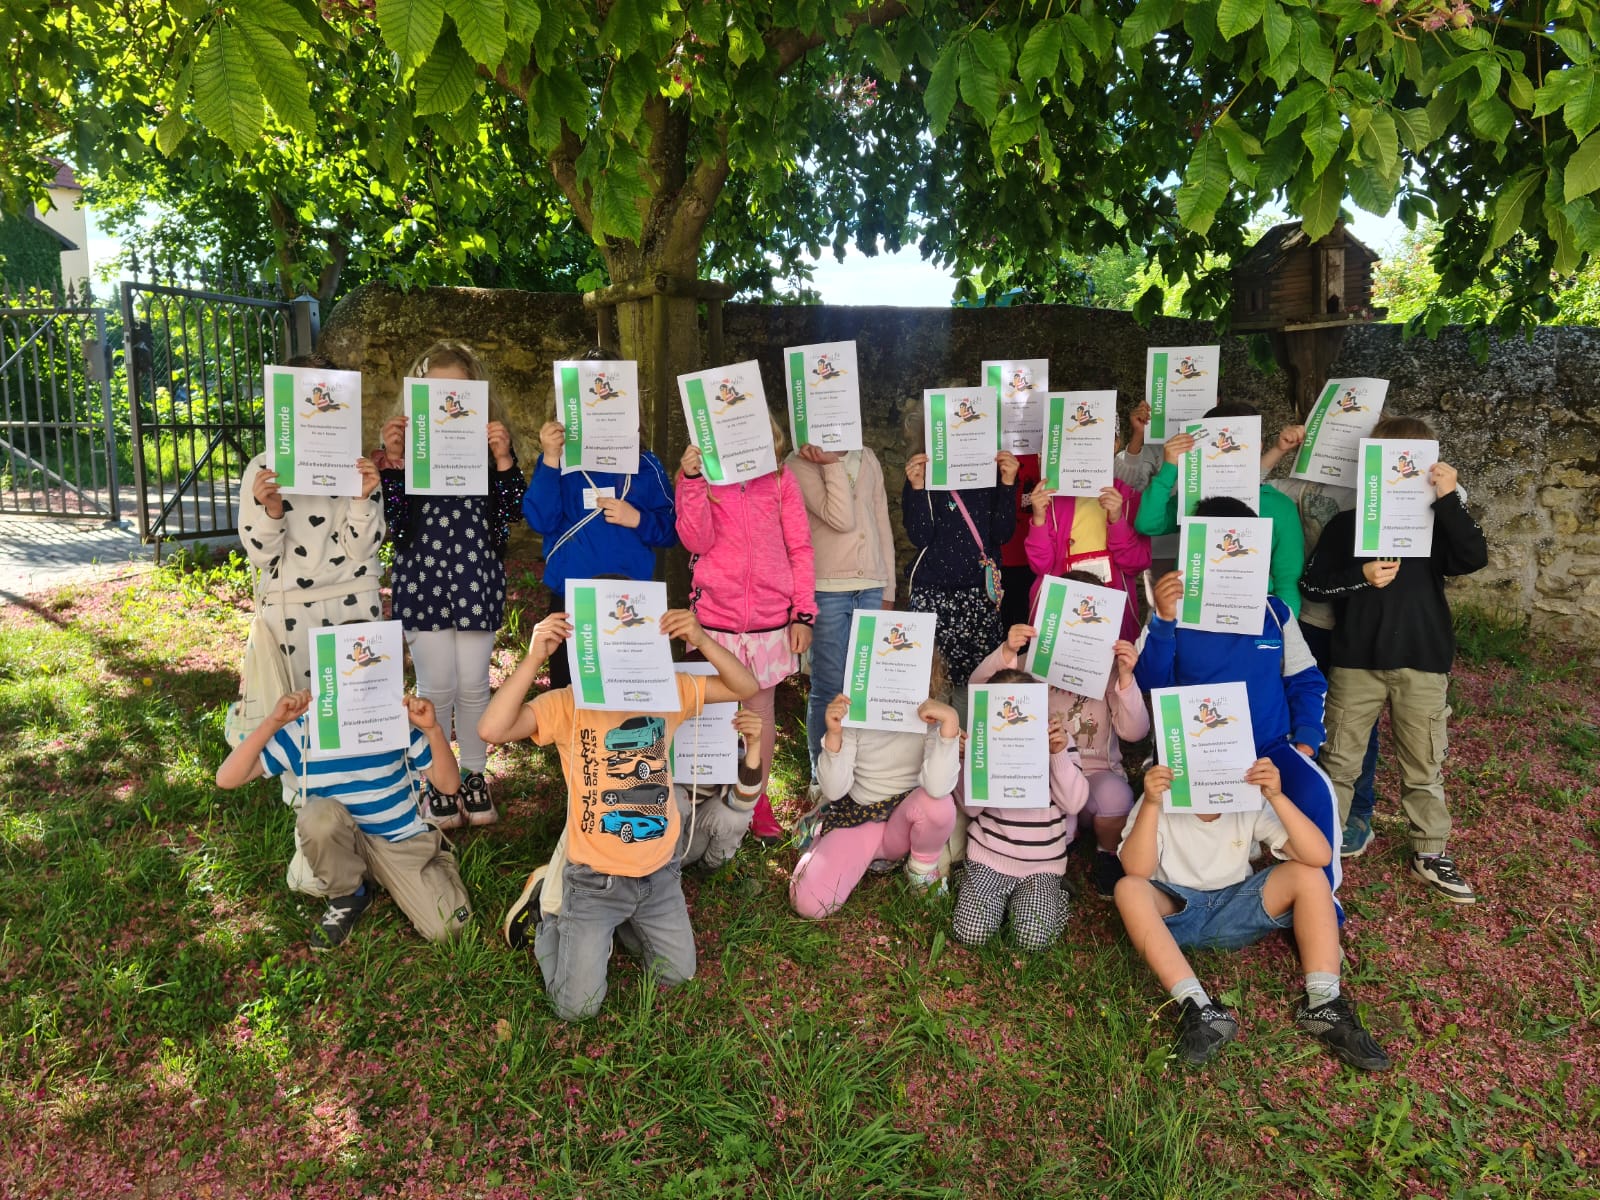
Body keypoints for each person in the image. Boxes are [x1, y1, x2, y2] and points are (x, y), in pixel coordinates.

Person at [483, 609, 759, 1021]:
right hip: (595, 882)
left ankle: (617, 925)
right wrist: (534, 657)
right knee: (576, 1008)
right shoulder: (569, 703)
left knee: (678, 975)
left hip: (659, 875)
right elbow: (492, 729)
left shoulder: (668, 691)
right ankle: (549, 912)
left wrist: (701, 639)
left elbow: (746, 686)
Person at [1301, 416, 1488, 903]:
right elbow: (1313, 585)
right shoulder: (1347, 523)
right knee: (1339, 759)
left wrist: (1448, 497)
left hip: (1422, 658)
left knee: (1424, 762)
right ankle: (1324, 845)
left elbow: (1473, 558)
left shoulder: (1438, 520)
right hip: (1356, 660)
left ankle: (1430, 851)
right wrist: (1360, 576)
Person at [1114, 760, 1389, 1070]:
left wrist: (1276, 796)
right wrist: (1152, 803)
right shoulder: (1159, 796)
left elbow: (1319, 855)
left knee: (1310, 875)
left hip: (1237, 908)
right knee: (1128, 889)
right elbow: (1136, 870)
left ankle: (1323, 1001)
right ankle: (1198, 1006)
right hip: (1177, 912)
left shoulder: (1245, 793)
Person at [1133, 498, 1342, 904]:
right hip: (1197, 750)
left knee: (1317, 791)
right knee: (1189, 828)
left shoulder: (1274, 612)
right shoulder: (1171, 611)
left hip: (1269, 747)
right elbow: (1149, 682)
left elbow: (1305, 679)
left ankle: (1322, 902)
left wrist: (1305, 739)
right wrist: (1163, 620)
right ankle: (1199, 896)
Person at [379, 340, 525, 829]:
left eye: (458, 393)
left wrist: (503, 459)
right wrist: (395, 461)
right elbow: (395, 525)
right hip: (423, 579)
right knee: (435, 687)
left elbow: (512, 515)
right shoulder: (403, 454)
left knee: (474, 684)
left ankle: (475, 775)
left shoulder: (488, 451)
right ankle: (436, 782)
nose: (448, 403)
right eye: (435, 393)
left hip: (475, 577)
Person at [216, 689, 471, 949]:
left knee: (449, 927)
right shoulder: (301, 731)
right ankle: (349, 894)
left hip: (399, 842)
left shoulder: (394, 722)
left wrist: (433, 730)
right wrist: (274, 722)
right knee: (318, 816)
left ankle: (428, 868)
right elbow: (226, 778)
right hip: (340, 845)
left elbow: (449, 785)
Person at [235, 352, 386, 776]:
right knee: (297, 709)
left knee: (358, 707)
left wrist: (361, 500)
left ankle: (363, 787)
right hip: (289, 609)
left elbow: (363, 548)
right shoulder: (263, 469)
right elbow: (261, 555)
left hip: (354, 601)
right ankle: (301, 790)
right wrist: (272, 510)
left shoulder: (358, 468)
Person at [676, 415, 815, 840]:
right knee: (710, 710)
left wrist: (802, 613)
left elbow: (800, 546)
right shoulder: (702, 479)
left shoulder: (781, 479)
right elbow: (695, 540)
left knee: (758, 712)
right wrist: (691, 480)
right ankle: (703, 794)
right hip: (714, 620)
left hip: (768, 621)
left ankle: (755, 798)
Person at [969, 589, 1149, 896]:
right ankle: (1053, 848)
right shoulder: (1029, 664)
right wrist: (1007, 651)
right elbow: (980, 691)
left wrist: (1126, 678)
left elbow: (1136, 732)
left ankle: (1107, 853)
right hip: (1034, 772)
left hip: (1093, 774)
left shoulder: (1109, 673)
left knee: (1115, 797)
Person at [522, 349, 678, 689]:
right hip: (570, 601)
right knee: (569, 694)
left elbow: (672, 530)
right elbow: (540, 520)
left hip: (632, 602)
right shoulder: (558, 463)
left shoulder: (646, 465)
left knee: (627, 694)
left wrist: (638, 519)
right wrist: (550, 458)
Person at [1261, 424, 1382, 857]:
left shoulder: (1379, 488)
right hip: (1309, 616)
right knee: (1305, 705)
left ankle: (1357, 810)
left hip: (1362, 624)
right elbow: (1243, 486)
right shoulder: (1303, 485)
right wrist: (1279, 449)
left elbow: (1452, 496)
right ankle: (1304, 796)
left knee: (1357, 719)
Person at [790, 659, 961, 916]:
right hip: (859, 819)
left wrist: (950, 723)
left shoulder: (930, 722)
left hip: (905, 824)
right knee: (808, 904)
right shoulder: (855, 718)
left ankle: (921, 869)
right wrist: (835, 734)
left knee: (939, 805)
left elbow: (937, 789)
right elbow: (834, 790)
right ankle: (822, 840)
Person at [952, 669, 1088, 951]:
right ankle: (984, 892)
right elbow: (972, 809)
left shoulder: (1059, 742)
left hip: (1042, 866)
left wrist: (1057, 754)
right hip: (989, 858)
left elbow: (1074, 803)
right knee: (970, 934)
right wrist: (966, 760)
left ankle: (1055, 896)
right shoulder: (982, 740)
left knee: (1032, 940)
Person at [784, 440, 896, 775]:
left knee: (867, 685)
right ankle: (823, 775)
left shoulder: (868, 455)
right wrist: (831, 464)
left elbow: (881, 522)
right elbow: (840, 518)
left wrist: (888, 587)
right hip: (828, 587)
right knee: (829, 684)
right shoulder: (799, 461)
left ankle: (861, 771)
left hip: (871, 585)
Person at [1132, 401, 1306, 615]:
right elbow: (1148, 524)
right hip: (1191, 614)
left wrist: (1283, 629)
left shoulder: (1280, 507)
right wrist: (1170, 466)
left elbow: (1288, 581)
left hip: (1253, 618)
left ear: (1258, 445)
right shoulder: (1197, 497)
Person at [903, 406, 1021, 690]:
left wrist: (1007, 483)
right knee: (930, 685)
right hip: (933, 596)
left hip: (978, 599)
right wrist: (917, 487)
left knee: (977, 686)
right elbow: (920, 536)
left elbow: (1003, 533)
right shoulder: (923, 474)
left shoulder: (993, 473)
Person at [1022, 478, 1150, 642]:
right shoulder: (1051, 498)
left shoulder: (1129, 498)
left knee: (1110, 656)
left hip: (1110, 606)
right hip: (1060, 605)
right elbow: (1040, 566)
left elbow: (1136, 563)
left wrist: (1117, 520)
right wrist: (1039, 518)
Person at [674, 707, 765, 871]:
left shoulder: (726, 732)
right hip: (653, 838)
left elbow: (743, 802)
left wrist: (753, 744)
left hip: (693, 835)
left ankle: (709, 870)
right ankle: (657, 874)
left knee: (735, 816)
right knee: (675, 799)